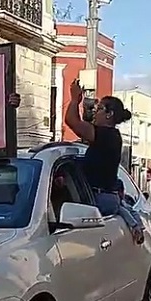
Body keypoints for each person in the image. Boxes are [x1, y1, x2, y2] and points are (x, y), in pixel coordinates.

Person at [63, 78, 133, 217]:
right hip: (103, 197)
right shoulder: (111, 136)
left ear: (109, 114)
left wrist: (75, 100)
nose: (95, 111)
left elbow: (72, 121)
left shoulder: (106, 135)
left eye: (100, 108)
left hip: (99, 198)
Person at [114, 179, 144, 244]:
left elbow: (130, 211)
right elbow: (122, 210)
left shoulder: (123, 204)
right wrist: (135, 225)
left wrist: (138, 226)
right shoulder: (116, 206)